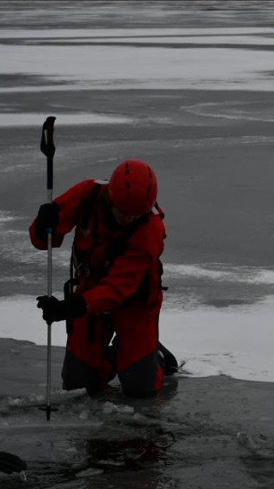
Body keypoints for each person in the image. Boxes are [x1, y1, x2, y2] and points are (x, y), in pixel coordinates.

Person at [29, 159, 174, 398]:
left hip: (135, 301)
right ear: (110, 196)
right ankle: (111, 358)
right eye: (122, 212)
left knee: (140, 390)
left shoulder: (150, 229)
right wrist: (43, 223)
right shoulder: (88, 195)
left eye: (134, 215)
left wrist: (71, 307)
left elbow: (118, 286)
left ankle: (151, 357)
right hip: (89, 289)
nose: (127, 218)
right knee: (78, 385)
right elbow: (44, 240)